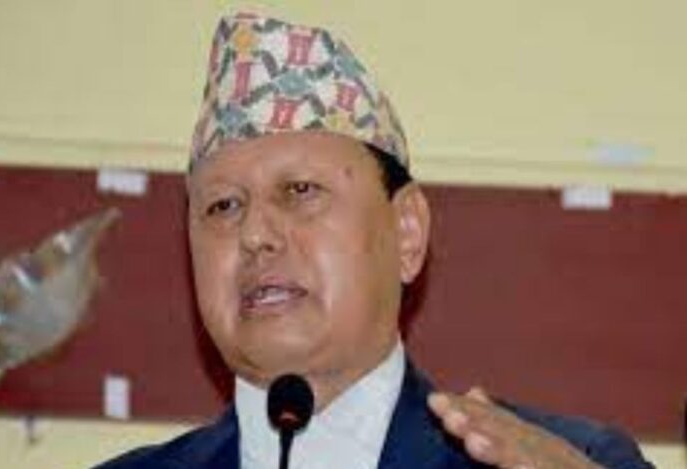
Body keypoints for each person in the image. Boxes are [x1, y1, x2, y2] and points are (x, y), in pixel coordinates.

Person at [96, 12, 653, 469]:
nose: (256, 235)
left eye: (300, 191)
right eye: (223, 206)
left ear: (406, 231)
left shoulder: (571, 461)